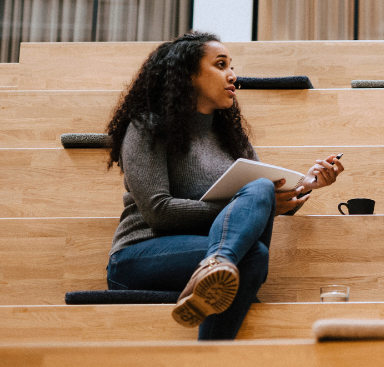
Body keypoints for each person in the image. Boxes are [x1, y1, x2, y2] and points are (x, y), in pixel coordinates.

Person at [104, 32, 345, 340]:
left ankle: (214, 290)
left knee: (256, 240)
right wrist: (249, 204)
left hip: (213, 252)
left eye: (232, 66)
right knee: (256, 217)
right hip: (140, 256)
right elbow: (158, 212)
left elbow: (259, 203)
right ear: (188, 74)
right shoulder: (148, 126)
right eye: (221, 65)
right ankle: (217, 267)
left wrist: (304, 184)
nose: (233, 76)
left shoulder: (231, 137)